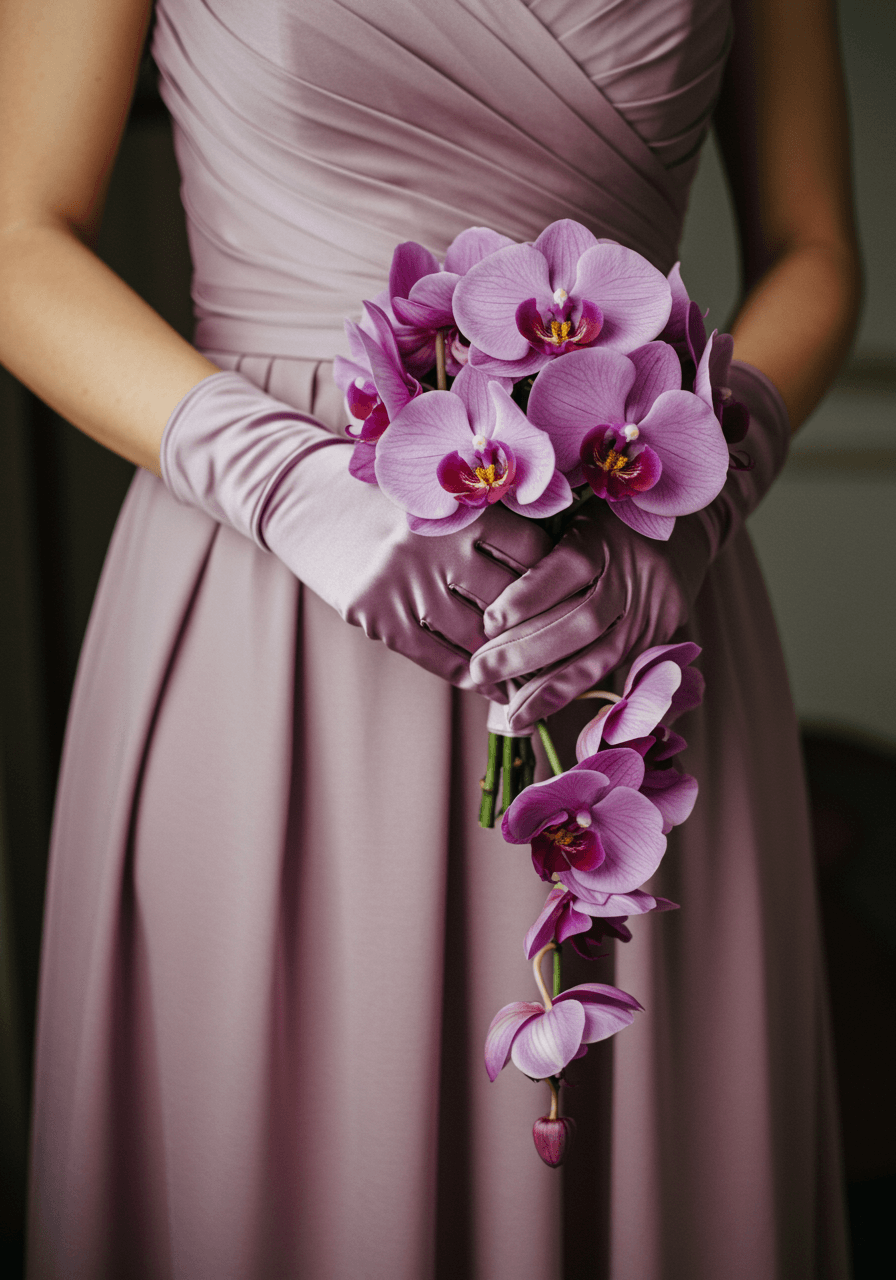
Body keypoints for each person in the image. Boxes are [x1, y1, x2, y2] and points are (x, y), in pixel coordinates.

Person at [0, 0, 860, 1276]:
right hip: (264, 585)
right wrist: (279, 479)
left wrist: (694, 506)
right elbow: (19, 240)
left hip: (631, 601)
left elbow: (814, 247)